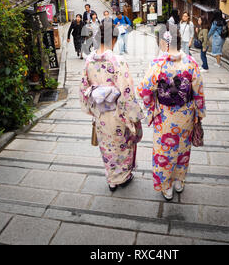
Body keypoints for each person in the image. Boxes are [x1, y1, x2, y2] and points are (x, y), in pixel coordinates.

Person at [137, 24, 206, 201]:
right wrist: (199, 114)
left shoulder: (157, 64)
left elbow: (144, 89)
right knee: (183, 149)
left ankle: (166, 186)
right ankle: (179, 181)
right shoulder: (191, 62)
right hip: (186, 115)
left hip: (165, 117)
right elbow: (198, 91)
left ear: (164, 45)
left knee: (165, 151)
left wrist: (152, 107)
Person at [80, 20, 145, 191]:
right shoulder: (118, 61)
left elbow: (84, 88)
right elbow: (127, 91)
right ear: (114, 40)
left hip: (101, 114)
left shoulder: (88, 61)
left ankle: (111, 179)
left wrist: (93, 106)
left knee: (107, 146)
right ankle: (122, 177)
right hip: (118, 112)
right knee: (122, 145)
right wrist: (133, 115)